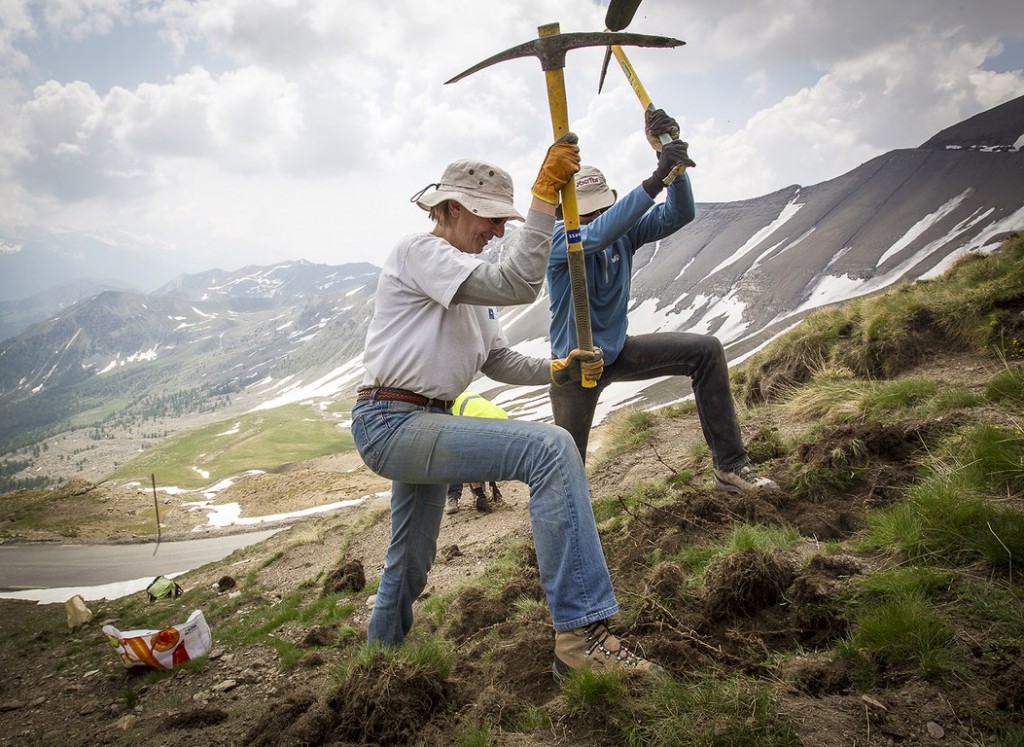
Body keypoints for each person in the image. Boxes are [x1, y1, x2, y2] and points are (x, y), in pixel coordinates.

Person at [351, 133, 664, 681]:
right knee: (549, 450)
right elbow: (520, 281)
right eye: (489, 218)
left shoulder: (467, 287)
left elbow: (497, 361)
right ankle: (580, 637)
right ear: (448, 209)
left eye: (504, 220)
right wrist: (546, 196)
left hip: (425, 420)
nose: (499, 230)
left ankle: (377, 670)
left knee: (411, 559)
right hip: (390, 422)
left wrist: (558, 368)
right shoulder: (421, 251)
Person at [546, 109, 778, 494]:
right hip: (575, 369)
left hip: (616, 353)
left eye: (604, 207)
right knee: (566, 472)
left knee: (705, 352)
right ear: (566, 213)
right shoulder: (555, 241)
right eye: (587, 211)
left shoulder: (623, 232)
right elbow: (595, 237)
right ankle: (557, 535)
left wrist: (671, 164)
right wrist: (655, 180)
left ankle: (731, 467)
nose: (598, 216)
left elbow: (680, 213)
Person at [445, 391, 509, 515]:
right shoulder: (471, 431)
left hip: (472, 407)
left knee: (481, 457)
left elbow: (494, 458)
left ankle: (481, 492)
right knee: (455, 456)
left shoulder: (503, 420)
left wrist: (492, 484)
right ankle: (453, 497)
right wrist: (479, 492)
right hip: (453, 411)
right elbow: (467, 460)